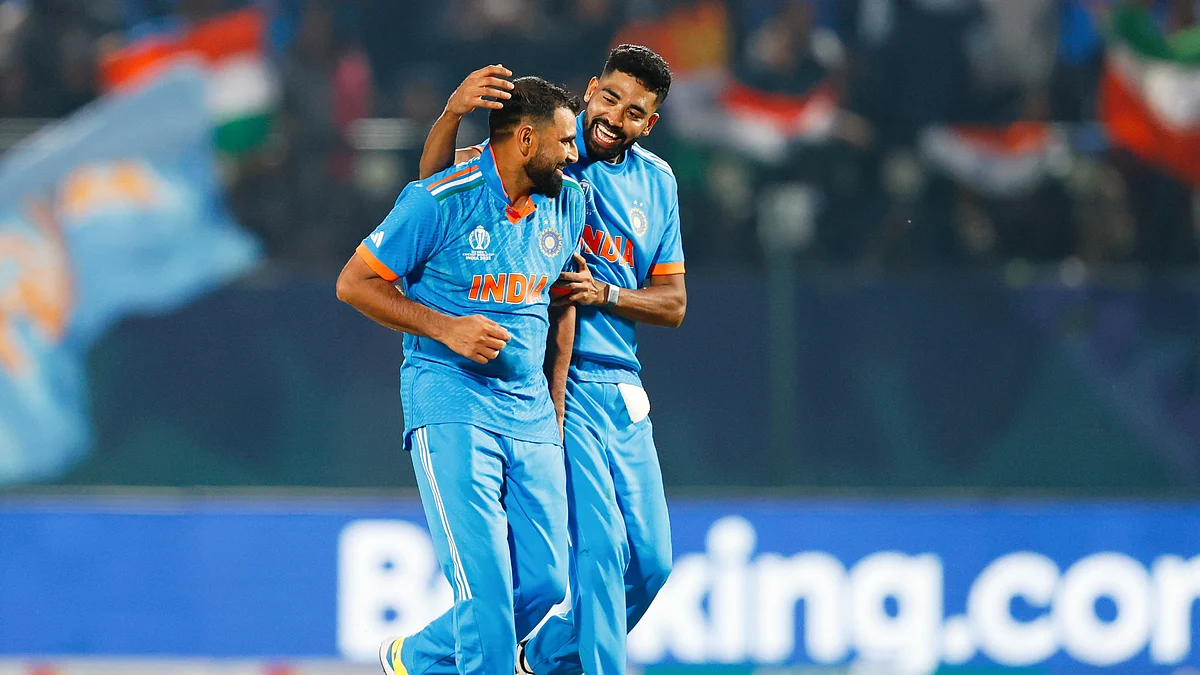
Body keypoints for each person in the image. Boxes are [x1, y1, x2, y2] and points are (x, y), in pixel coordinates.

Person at [419, 45, 686, 675]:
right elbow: (437, 190)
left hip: (623, 384)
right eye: (610, 97)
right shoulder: (542, 152)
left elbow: (673, 304)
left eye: (634, 111)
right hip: (552, 378)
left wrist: (608, 293)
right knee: (600, 552)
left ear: (649, 124)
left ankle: (529, 656)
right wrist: (451, 115)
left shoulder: (657, 183)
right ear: (592, 89)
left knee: (651, 561)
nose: (614, 116)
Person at [336, 76, 587, 675]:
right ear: (526, 139)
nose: (574, 154)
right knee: (487, 602)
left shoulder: (567, 203)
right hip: (452, 404)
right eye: (565, 141)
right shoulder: (441, 200)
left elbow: (562, 302)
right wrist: (447, 328)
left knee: (546, 583)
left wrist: (554, 401)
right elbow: (355, 283)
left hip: (529, 413)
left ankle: (416, 658)